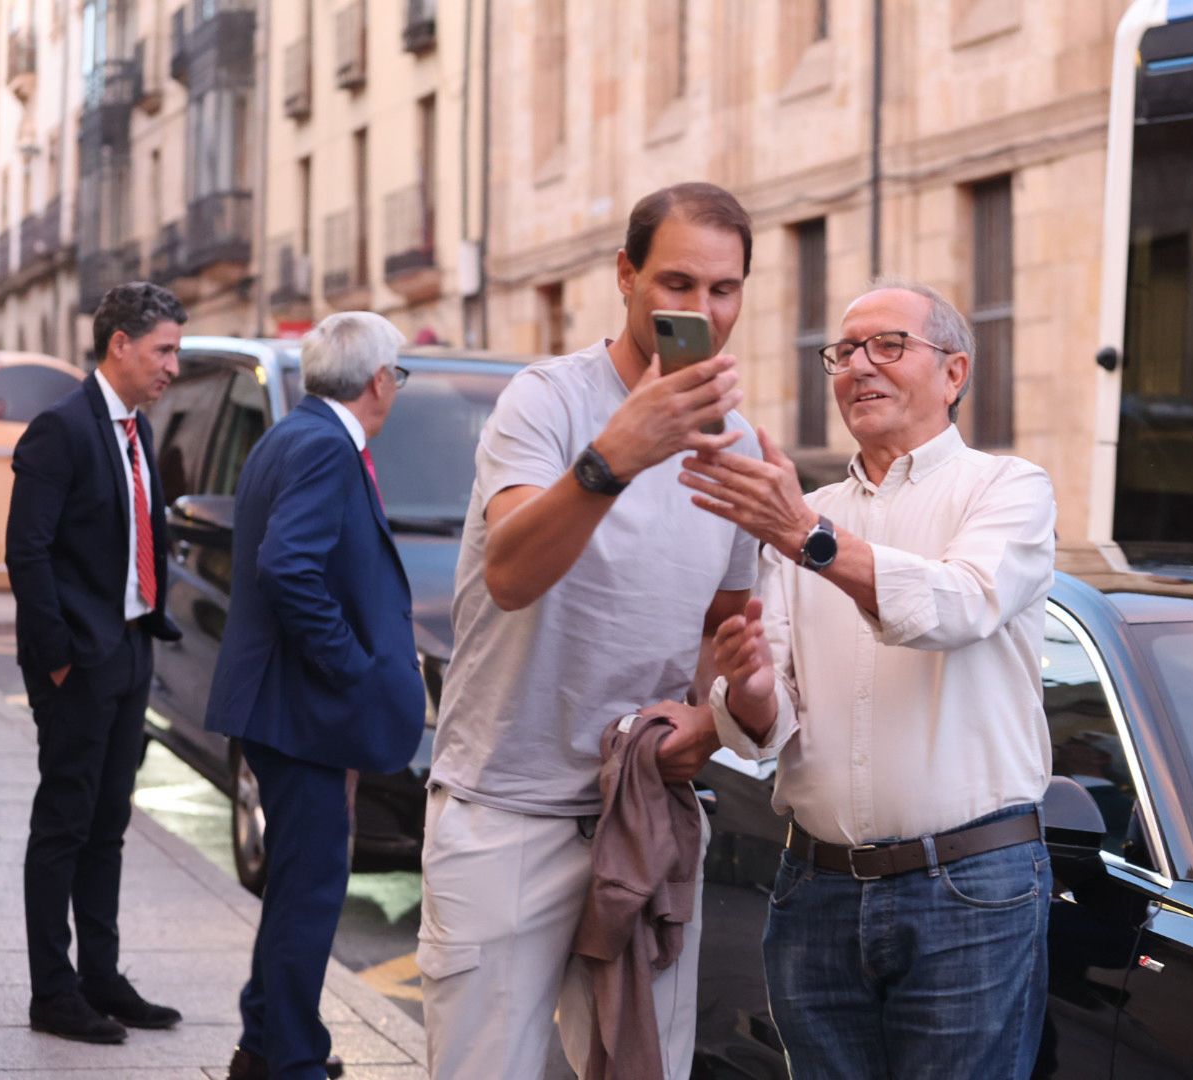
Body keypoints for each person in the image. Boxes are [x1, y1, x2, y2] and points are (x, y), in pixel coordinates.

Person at [679, 278, 1057, 1079]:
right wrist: (745, 691)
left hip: (970, 891)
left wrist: (810, 538)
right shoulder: (806, 510)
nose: (859, 366)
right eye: (844, 351)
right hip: (814, 889)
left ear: (955, 373)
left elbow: (961, 604)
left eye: (889, 345)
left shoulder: (1006, 489)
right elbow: (770, 725)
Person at [419, 182, 755, 1079]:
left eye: (723, 290)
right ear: (625, 276)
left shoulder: (740, 444)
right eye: (676, 283)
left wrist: (709, 720)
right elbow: (513, 571)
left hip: (643, 819)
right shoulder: (546, 403)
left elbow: (728, 634)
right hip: (507, 815)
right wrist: (619, 453)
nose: (701, 310)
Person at [206, 311, 425, 1080]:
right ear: (378, 382)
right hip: (301, 712)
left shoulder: (296, 434)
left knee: (297, 885)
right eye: (398, 373)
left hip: (288, 710)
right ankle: (292, 1061)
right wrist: (353, 669)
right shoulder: (327, 448)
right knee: (310, 893)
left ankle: (265, 1045)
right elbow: (288, 567)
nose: (396, 387)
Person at [5, 282, 186, 1044]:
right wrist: (57, 662)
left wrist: (141, 635)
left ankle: (100, 978)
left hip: (130, 648)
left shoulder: (136, 430)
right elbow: (27, 550)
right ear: (120, 345)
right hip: (79, 662)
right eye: (164, 350)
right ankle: (54, 992)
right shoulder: (62, 429)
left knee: (110, 824)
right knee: (65, 825)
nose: (173, 366)